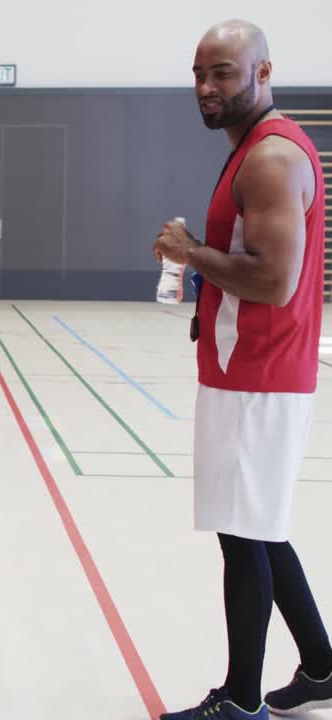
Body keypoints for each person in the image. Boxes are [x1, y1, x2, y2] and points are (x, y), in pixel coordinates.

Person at [155, 20, 332, 720]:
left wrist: (189, 253)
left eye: (223, 72)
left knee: (243, 536)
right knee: (256, 525)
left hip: (259, 375)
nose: (205, 87)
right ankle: (321, 666)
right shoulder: (253, 149)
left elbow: (274, 280)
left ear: (262, 73)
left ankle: (240, 701)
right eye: (199, 73)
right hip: (248, 369)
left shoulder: (269, 159)